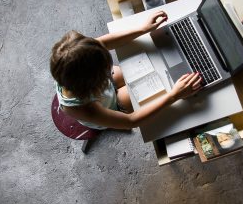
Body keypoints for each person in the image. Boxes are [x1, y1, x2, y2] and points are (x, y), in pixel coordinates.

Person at [50, 10, 203, 130]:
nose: (111, 72)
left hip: (102, 93)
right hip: (109, 106)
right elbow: (131, 121)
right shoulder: (83, 109)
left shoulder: (80, 54)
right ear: (94, 85)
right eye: (107, 74)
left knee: (136, 72)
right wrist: (174, 96)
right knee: (148, 94)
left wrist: (142, 29)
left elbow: (104, 42)